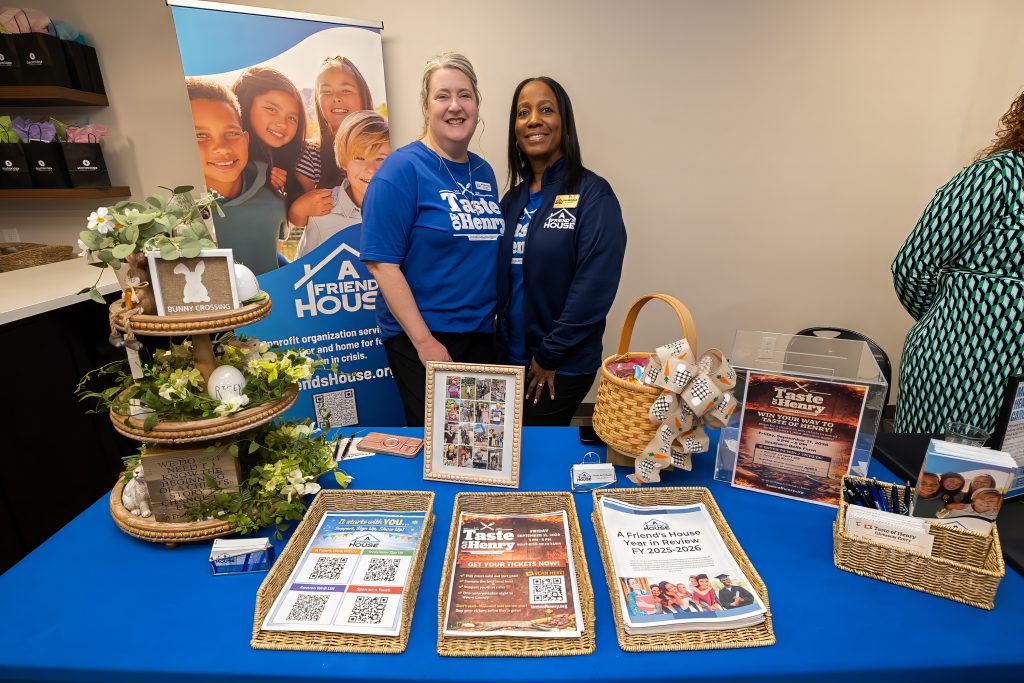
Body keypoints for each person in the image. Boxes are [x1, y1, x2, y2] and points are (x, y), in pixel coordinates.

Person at [361, 53, 504, 425]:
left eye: (464, 95)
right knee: (444, 443)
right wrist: (425, 343)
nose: (455, 106)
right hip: (425, 337)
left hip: (480, 334)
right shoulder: (400, 169)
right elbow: (382, 265)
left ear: (476, 104)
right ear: (426, 107)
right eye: (443, 96)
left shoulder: (483, 172)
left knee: (479, 438)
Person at [497, 76, 627, 425]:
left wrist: (549, 355)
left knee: (532, 449)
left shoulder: (593, 194)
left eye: (546, 110)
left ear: (564, 122)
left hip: (559, 365)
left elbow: (594, 287)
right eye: (523, 112)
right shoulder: (512, 200)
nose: (533, 120)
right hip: (510, 360)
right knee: (508, 448)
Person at [892, 91, 1024, 433]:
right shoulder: (995, 176)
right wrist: (954, 322)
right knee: (937, 463)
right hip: (962, 364)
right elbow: (911, 266)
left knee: (1004, 466)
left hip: (1018, 380)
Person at [186, 78, 284, 275]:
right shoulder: (171, 212)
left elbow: (274, 255)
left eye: (231, 133)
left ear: (246, 139)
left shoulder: (274, 195)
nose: (222, 148)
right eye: (200, 135)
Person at [290, 56, 374, 231]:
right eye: (326, 91)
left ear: (363, 95)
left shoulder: (385, 144)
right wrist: (300, 208)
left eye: (346, 90)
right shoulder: (310, 154)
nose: (336, 97)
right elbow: (298, 220)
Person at [296, 111, 391, 257]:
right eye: (359, 158)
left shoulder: (407, 210)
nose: (371, 169)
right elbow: (305, 268)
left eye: (380, 159)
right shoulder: (322, 213)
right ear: (344, 161)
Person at [231, 66, 306, 201]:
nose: (283, 124)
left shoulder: (290, 160)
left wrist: (277, 190)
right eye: (271, 109)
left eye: (292, 118)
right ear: (245, 105)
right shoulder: (232, 161)